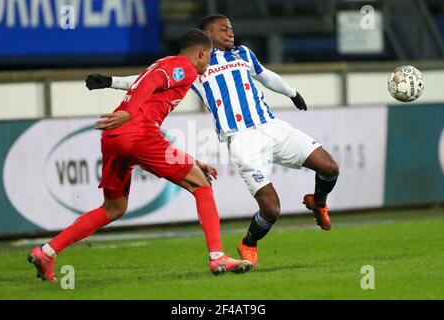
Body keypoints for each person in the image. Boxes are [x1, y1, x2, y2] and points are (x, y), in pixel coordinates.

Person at [86, 14, 340, 267]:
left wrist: (292, 93)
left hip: (272, 126)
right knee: (271, 209)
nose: (231, 33)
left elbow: (266, 75)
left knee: (329, 167)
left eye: (231, 28)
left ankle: (318, 203)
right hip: (241, 138)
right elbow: (144, 80)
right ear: (207, 36)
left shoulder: (243, 54)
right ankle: (249, 243)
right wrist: (110, 82)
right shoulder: (197, 65)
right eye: (224, 29)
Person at [27, 29, 254, 282]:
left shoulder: (165, 63)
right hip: (136, 132)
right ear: (201, 52)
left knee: (113, 208)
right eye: (209, 56)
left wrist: (193, 161)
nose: (208, 62)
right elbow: (151, 81)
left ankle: (47, 251)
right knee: (201, 183)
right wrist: (130, 112)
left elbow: (146, 81)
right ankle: (217, 256)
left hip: (114, 136)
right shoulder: (184, 67)